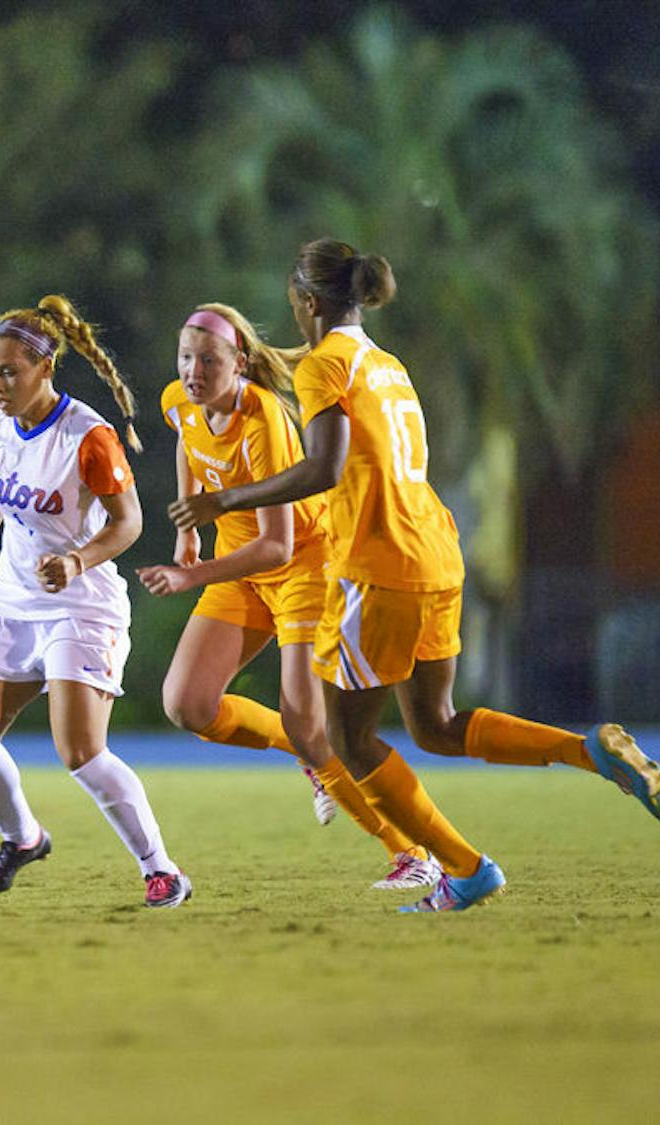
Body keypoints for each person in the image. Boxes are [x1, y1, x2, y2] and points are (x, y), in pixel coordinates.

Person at [170, 239, 660, 913]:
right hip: (437, 554)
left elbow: (322, 468)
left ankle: (462, 868)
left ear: (308, 302)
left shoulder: (325, 365)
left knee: (345, 738)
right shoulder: (387, 364)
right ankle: (588, 749)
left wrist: (224, 500)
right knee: (435, 724)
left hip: (378, 568)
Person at [137, 303, 440, 890]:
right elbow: (188, 444)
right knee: (187, 704)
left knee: (309, 719)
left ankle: (412, 853)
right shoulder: (178, 399)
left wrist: (191, 578)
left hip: (303, 563)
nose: (193, 371)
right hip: (238, 567)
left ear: (240, 362)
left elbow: (276, 546)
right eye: (185, 358)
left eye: (208, 360)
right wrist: (186, 529)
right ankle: (309, 758)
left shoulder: (264, 421)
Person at [0, 295, 192, 908]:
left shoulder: (87, 435)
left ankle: (161, 869)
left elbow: (128, 523)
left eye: (10, 371)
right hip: (11, 602)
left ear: (45, 370)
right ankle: (23, 840)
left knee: (79, 752)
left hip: (81, 605)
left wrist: (76, 560)